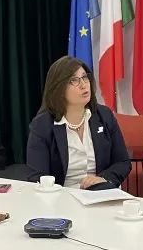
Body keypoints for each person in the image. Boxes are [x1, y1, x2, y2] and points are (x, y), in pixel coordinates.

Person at [26, 56, 130, 190]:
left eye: (84, 77)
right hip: (64, 195)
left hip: (102, 191)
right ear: (59, 88)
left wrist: (103, 178)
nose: (83, 84)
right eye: (74, 80)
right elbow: (36, 175)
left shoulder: (104, 115)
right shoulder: (42, 125)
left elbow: (122, 162)